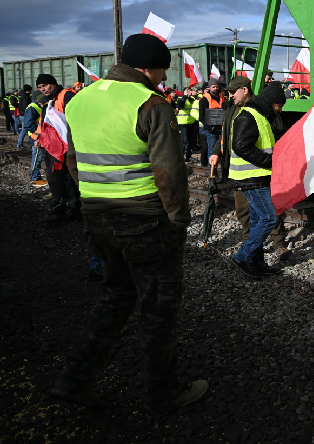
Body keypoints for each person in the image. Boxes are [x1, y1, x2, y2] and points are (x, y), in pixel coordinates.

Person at [50, 32, 207, 416]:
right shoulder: (150, 103)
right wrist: (179, 220)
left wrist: (93, 201)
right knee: (158, 307)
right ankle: (162, 393)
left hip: (98, 220)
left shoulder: (81, 99)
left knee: (115, 296)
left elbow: (72, 159)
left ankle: (74, 380)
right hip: (145, 223)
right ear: (148, 67)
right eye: (160, 71)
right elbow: (169, 173)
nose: (161, 79)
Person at [209, 77, 288, 257]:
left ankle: (278, 243)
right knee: (245, 211)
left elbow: (276, 133)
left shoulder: (262, 109)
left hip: (259, 171)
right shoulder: (231, 109)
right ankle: (251, 248)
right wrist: (216, 151)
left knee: (269, 211)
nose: (229, 95)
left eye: (232, 91)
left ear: (245, 90)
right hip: (243, 172)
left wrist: (274, 161)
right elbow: (226, 135)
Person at [35, 75, 81, 223]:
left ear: (53, 84)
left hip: (65, 145)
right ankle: (74, 208)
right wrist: (39, 138)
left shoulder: (66, 95)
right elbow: (44, 123)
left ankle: (60, 209)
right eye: (40, 87)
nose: (43, 89)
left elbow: (77, 117)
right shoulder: (49, 100)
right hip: (55, 145)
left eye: (45, 85)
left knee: (57, 176)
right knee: (65, 176)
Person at [21, 93, 48, 187]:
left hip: (39, 136)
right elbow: (28, 124)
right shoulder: (32, 108)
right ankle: (35, 178)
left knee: (38, 158)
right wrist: (38, 136)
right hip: (36, 137)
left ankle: (36, 176)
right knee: (37, 158)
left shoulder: (36, 106)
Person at [198, 79, 224, 164]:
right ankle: (213, 174)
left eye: (217, 86)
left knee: (222, 150)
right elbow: (202, 117)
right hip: (211, 130)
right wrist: (209, 127)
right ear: (209, 87)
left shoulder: (222, 97)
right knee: (212, 151)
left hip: (221, 128)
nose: (216, 88)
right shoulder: (204, 99)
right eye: (213, 87)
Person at [175, 88, 198, 163]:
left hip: (191, 122)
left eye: (190, 90)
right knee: (184, 140)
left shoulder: (192, 99)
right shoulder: (180, 98)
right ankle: (181, 157)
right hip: (183, 122)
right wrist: (184, 96)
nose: (190, 92)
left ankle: (188, 156)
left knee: (190, 141)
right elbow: (180, 105)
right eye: (188, 90)